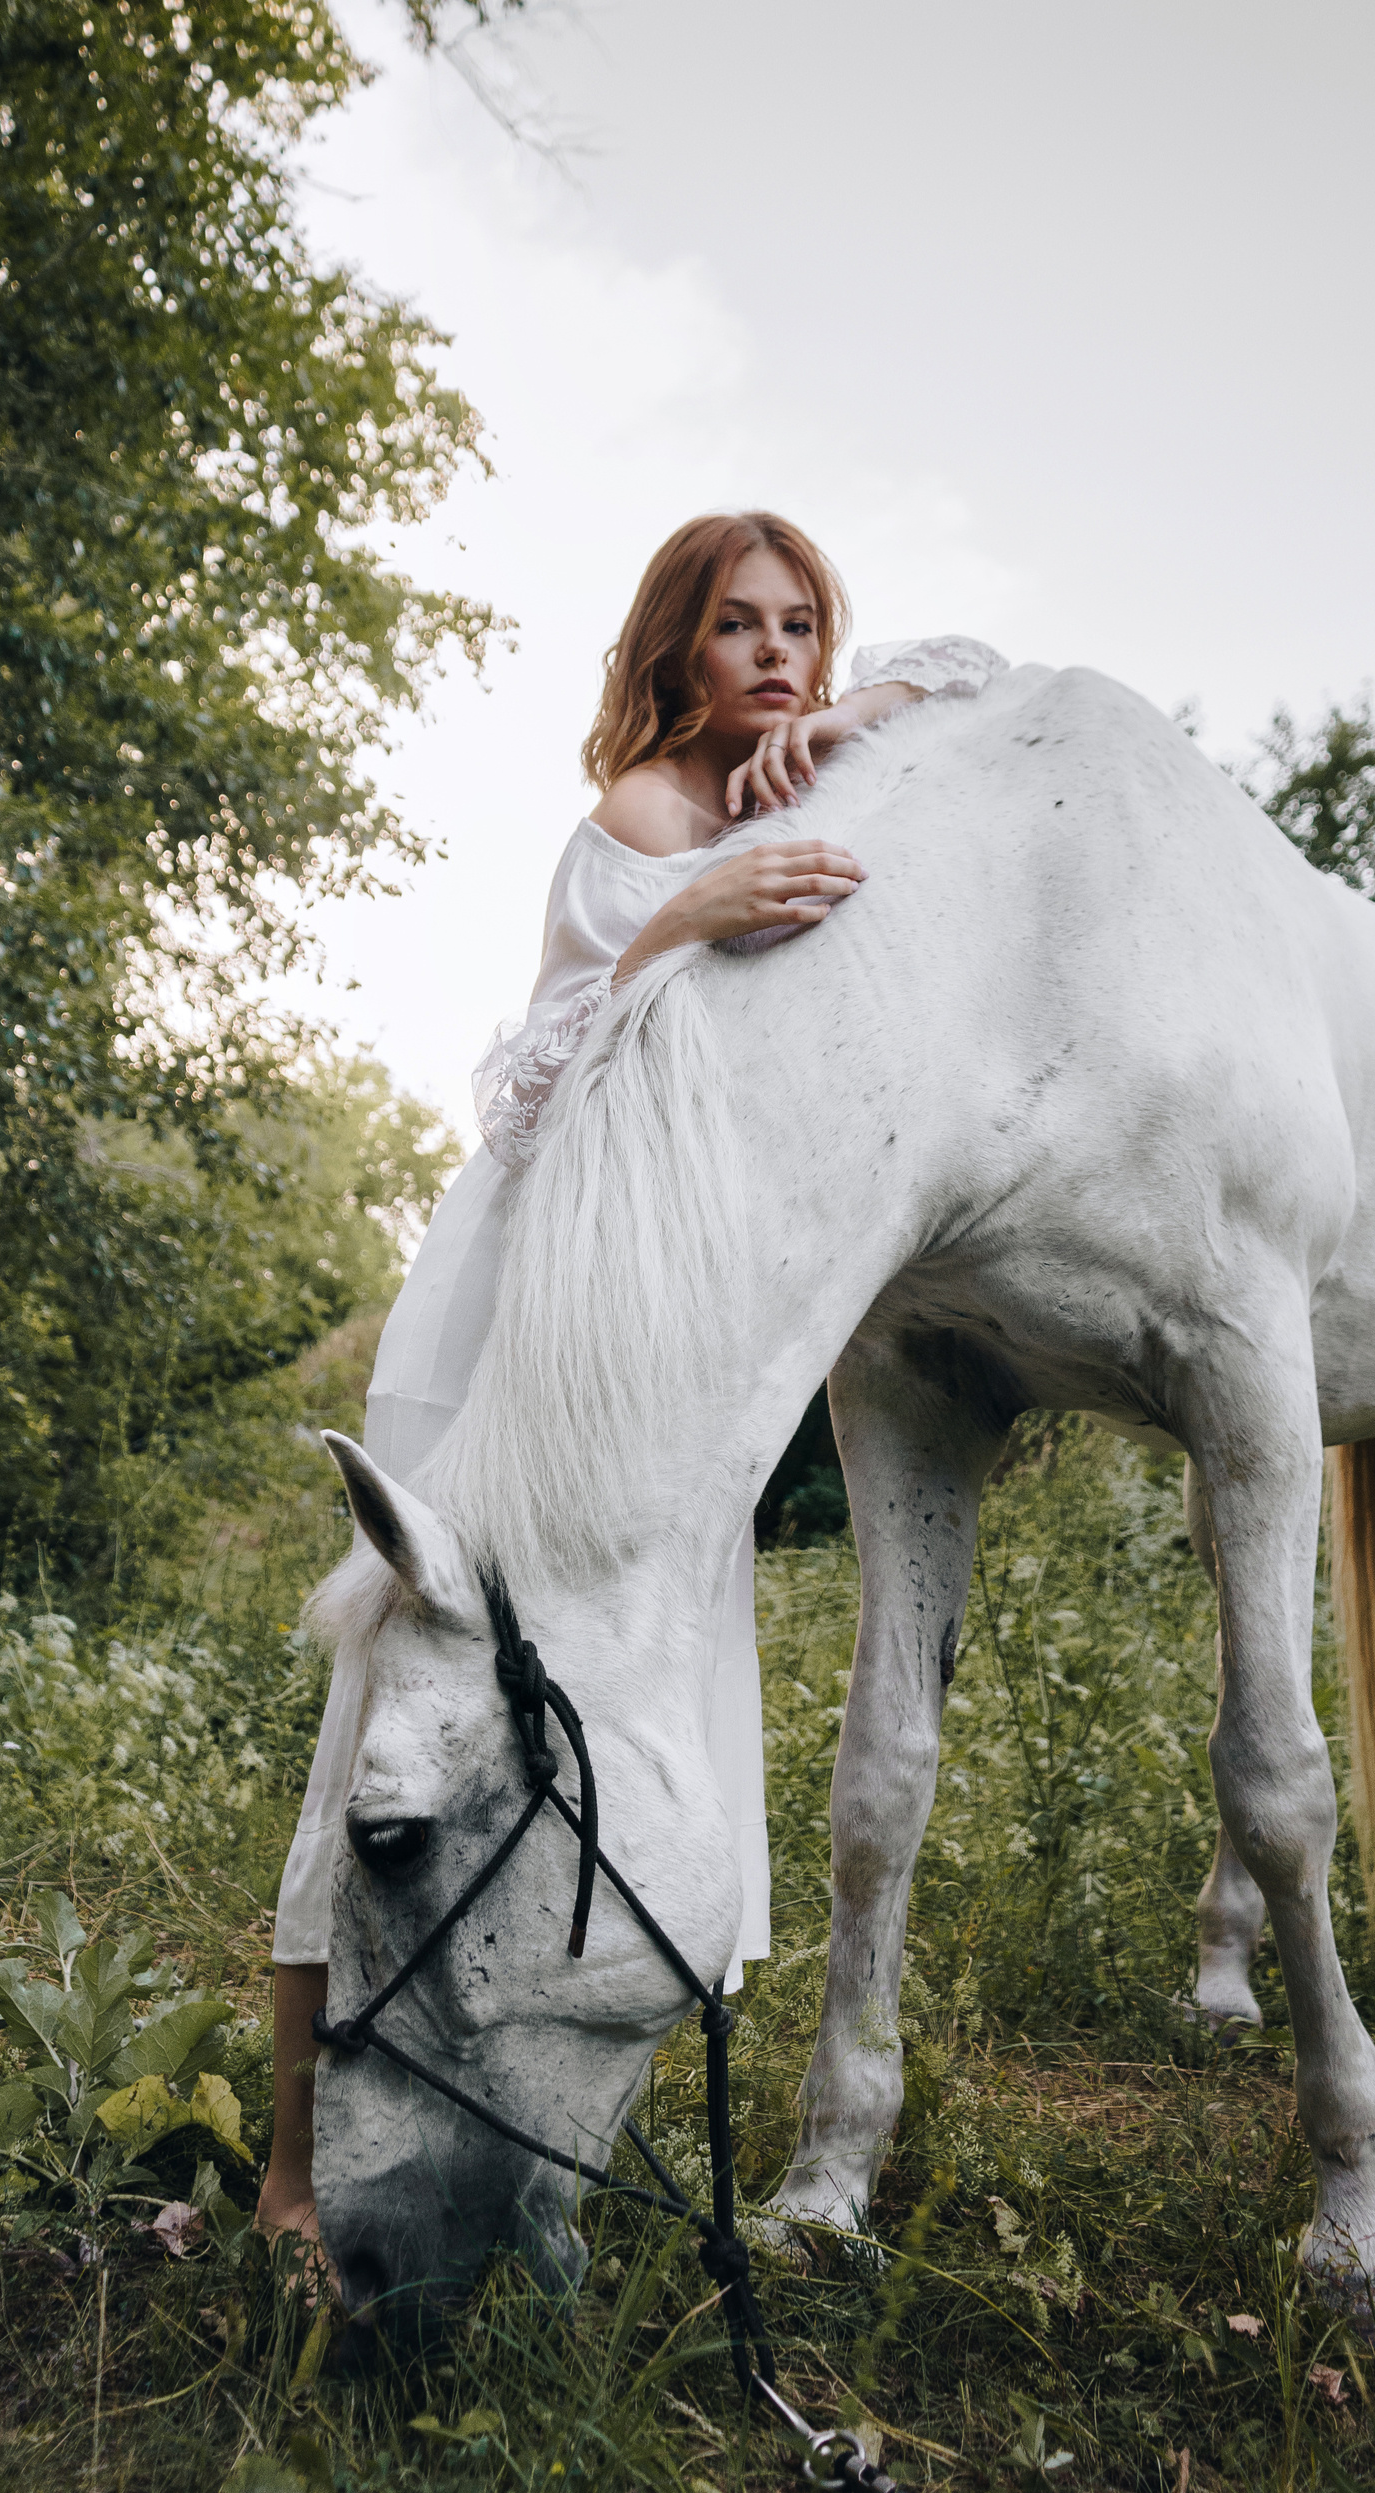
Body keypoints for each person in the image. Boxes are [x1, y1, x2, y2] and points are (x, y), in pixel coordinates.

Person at [255, 509, 1009, 2252]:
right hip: (509, 1335)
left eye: (800, 625)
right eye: (738, 626)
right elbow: (524, 1096)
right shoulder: (634, 829)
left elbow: (982, 676)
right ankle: (299, 2174)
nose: (773, 654)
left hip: (662, 1374)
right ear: (674, 648)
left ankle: (533, 2142)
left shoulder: (817, 781)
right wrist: (685, 917)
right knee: (389, 1748)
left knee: (630, 1728)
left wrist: (858, 716)